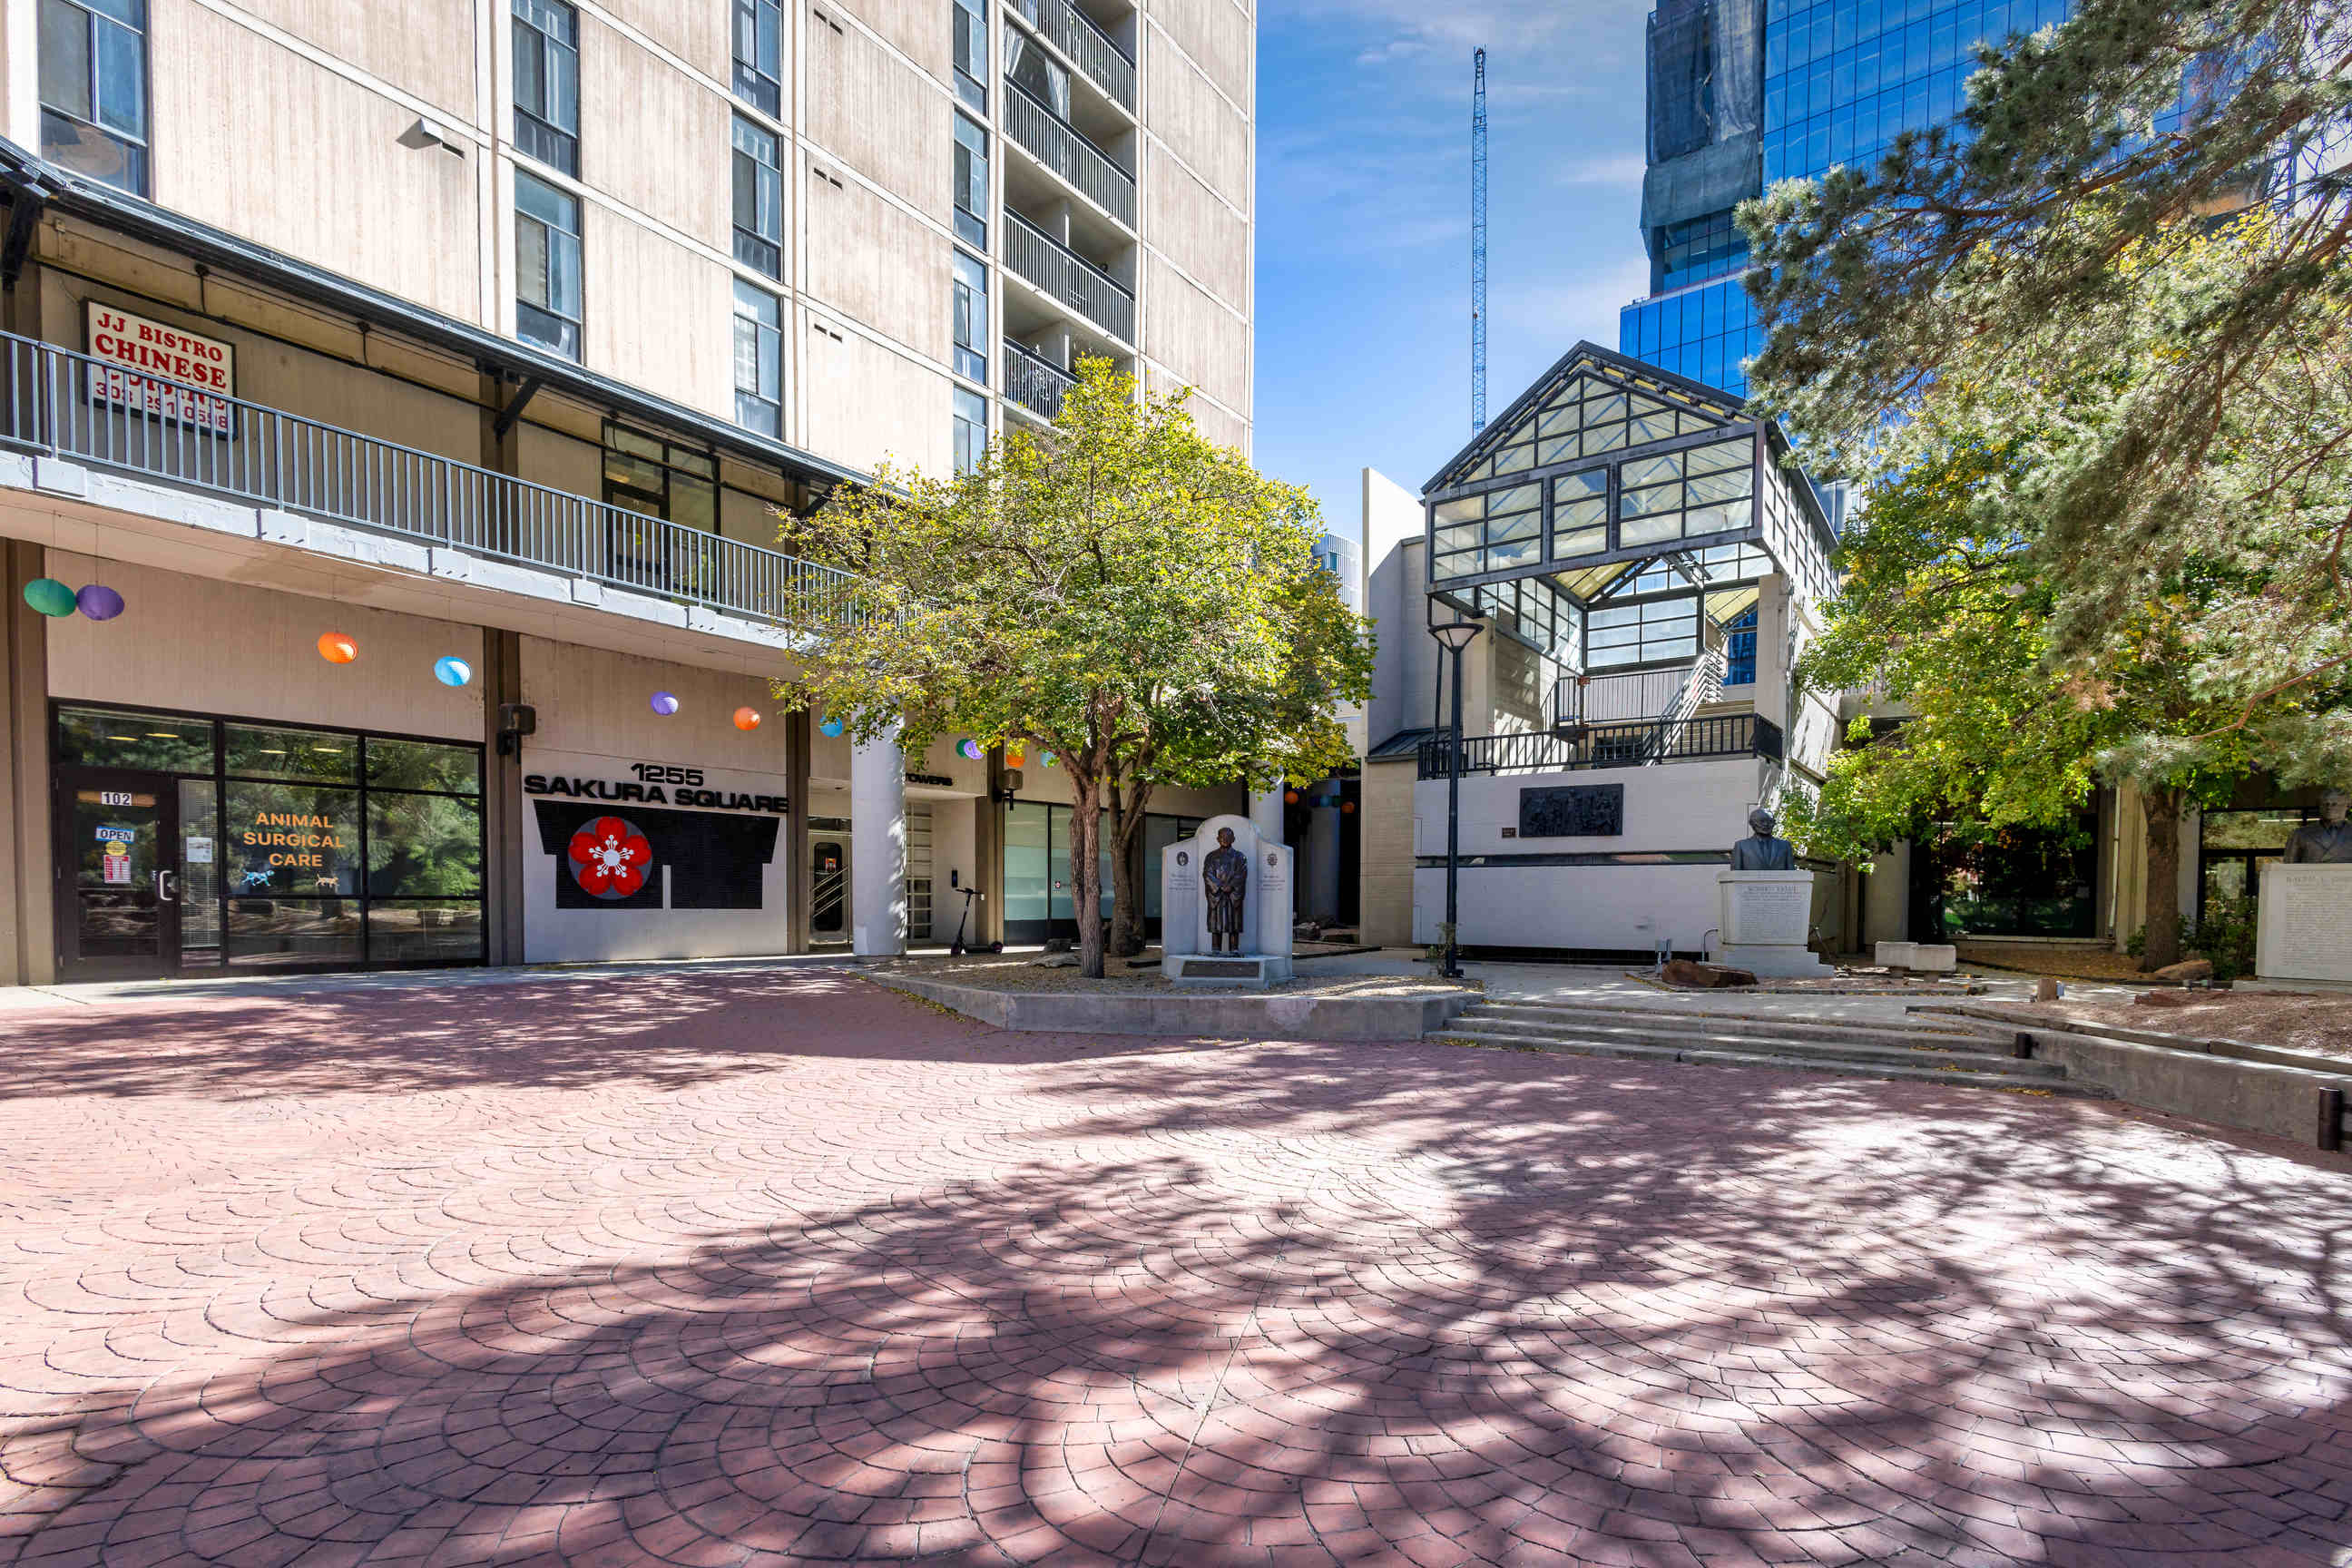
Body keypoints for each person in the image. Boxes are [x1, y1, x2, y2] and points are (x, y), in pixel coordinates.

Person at [1201, 827, 1250, 952]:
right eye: (1222, 837)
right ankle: (1216, 949)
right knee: (1216, 923)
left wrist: (1231, 886)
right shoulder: (1211, 857)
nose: (1225, 839)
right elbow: (1207, 874)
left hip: (1233, 895)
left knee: (1233, 923)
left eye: (1228, 837)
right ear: (1218, 839)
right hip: (1217, 894)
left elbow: (1242, 874)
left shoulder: (1240, 857)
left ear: (1233, 839)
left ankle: (1234, 948)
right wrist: (1220, 886)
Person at [2283, 789, 2352, 865]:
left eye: (2334, 804)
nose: (2329, 807)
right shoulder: (2299, 834)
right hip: (2310, 876)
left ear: (2347, 806)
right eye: (2325, 804)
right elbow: (2288, 866)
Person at [1730, 808, 1798, 871]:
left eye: (1770, 821)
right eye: (1761, 821)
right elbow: (1735, 874)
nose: (1766, 824)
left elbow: (1791, 874)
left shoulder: (1785, 846)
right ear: (1752, 823)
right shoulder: (1741, 846)